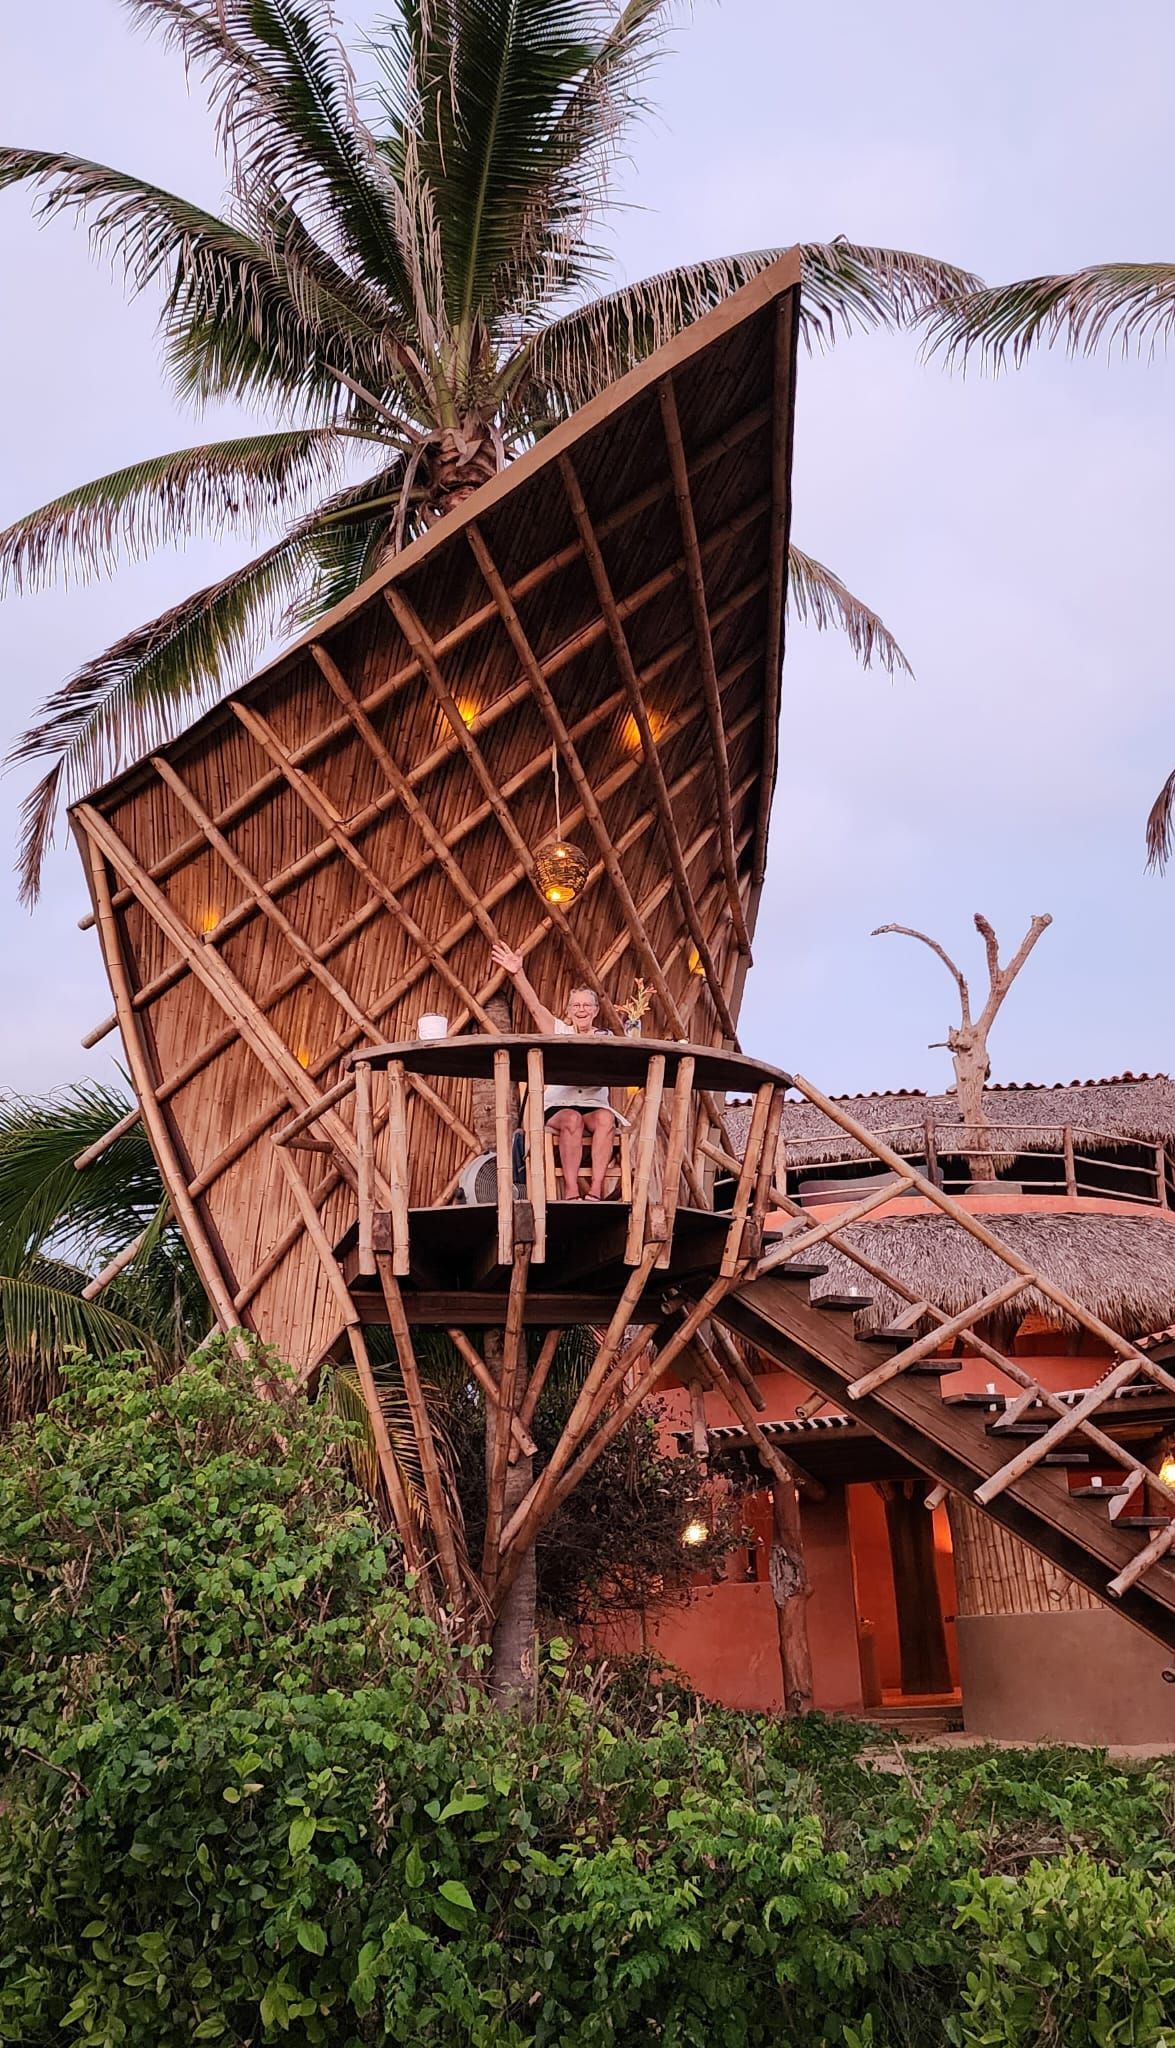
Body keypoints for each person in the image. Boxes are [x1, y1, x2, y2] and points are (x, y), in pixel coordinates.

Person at [489, 941, 623, 1201]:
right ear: (570, 1011)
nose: (581, 1010)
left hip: (594, 1105)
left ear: (595, 1011)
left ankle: (596, 1191)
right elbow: (535, 1007)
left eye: (587, 1006)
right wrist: (517, 974)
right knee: (572, 1118)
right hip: (560, 1106)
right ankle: (572, 1192)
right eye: (576, 1006)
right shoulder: (560, 1031)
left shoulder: (606, 1038)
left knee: (607, 1119)